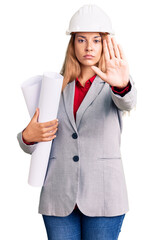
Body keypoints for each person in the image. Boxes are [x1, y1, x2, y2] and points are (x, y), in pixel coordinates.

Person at [17, 4, 137, 240]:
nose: (89, 47)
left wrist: (122, 86)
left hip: (104, 197)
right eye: (81, 40)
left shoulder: (115, 83)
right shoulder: (54, 86)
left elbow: (128, 102)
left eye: (96, 40)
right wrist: (27, 136)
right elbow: (33, 141)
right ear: (72, 44)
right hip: (58, 196)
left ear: (105, 44)